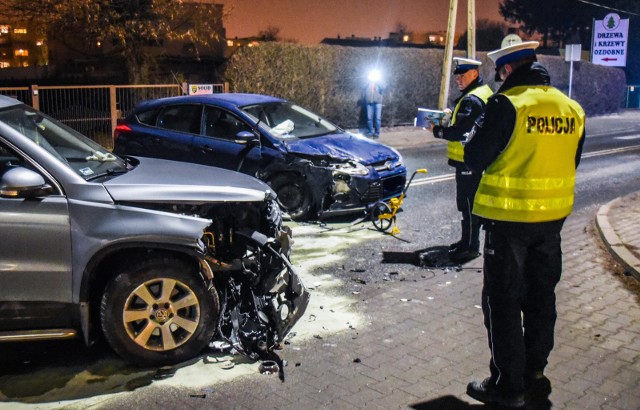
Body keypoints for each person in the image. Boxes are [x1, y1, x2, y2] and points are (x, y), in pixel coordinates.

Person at [463, 41, 586, 407]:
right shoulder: (572, 108)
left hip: (508, 221)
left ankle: (507, 384)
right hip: (551, 223)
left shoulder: (508, 104)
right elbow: (571, 161)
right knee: (541, 297)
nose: (499, 78)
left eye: (500, 72)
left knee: (502, 302)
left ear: (508, 70)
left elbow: (476, 155)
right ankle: (534, 370)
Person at [428, 57, 493, 261]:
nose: (458, 79)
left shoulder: (472, 99)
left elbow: (460, 132)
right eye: (457, 76)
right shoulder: (481, 93)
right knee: (468, 204)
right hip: (475, 158)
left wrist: (437, 130)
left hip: (468, 161)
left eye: (462, 75)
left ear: (474, 74)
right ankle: (466, 241)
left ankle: (471, 246)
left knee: (468, 205)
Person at [363, 69, 385, 138]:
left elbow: (383, 87)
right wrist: (367, 80)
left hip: (378, 102)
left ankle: (377, 133)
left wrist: (378, 81)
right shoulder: (367, 81)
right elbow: (362, 87)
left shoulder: (380, 80)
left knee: (377, 119)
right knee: (369, 118)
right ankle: (370, 132)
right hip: (369, 102)